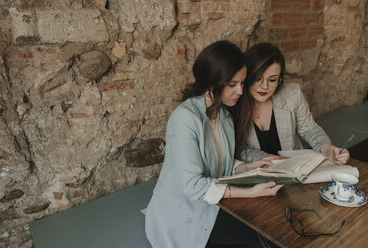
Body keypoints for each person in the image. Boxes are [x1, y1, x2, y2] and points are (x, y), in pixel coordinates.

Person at [145, 40, 283, 248]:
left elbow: (219, 162)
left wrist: (249, 166)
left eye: (242, 83)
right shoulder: (185, 117)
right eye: (232, 84)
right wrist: (251, 192)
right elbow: (193, 186)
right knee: (258, 239)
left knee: (268, 231)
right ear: (212, 82)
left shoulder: (224, 116)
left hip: (212, 204)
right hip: (182, 214)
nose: (240, 90)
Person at [233, 42, 350, 165]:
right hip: (257, 173)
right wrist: (272, 160)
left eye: (272, 80)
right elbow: (238, 148)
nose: (264, 86)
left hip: (295, 169)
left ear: (280, 80)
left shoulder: (292, 94)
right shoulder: (235, 101)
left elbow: (310, 129)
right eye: (258, 78)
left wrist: (327, 149)